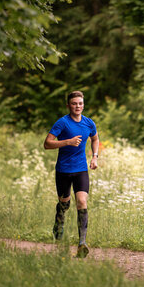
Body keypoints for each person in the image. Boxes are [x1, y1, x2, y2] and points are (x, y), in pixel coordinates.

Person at [44, 91, 99, 258]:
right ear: (68, 105)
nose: (78, 106)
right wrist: (67, 142)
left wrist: (95, 156)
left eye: (80, 103)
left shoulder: (89, 123)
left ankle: (82, 243)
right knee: (64, 203)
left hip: (81, 169)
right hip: (63, 170)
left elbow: (95, 139)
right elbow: (47, 144)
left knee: (82, 202)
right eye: (74, 104)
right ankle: (58, 222)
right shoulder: (62, 123)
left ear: (83, 104)